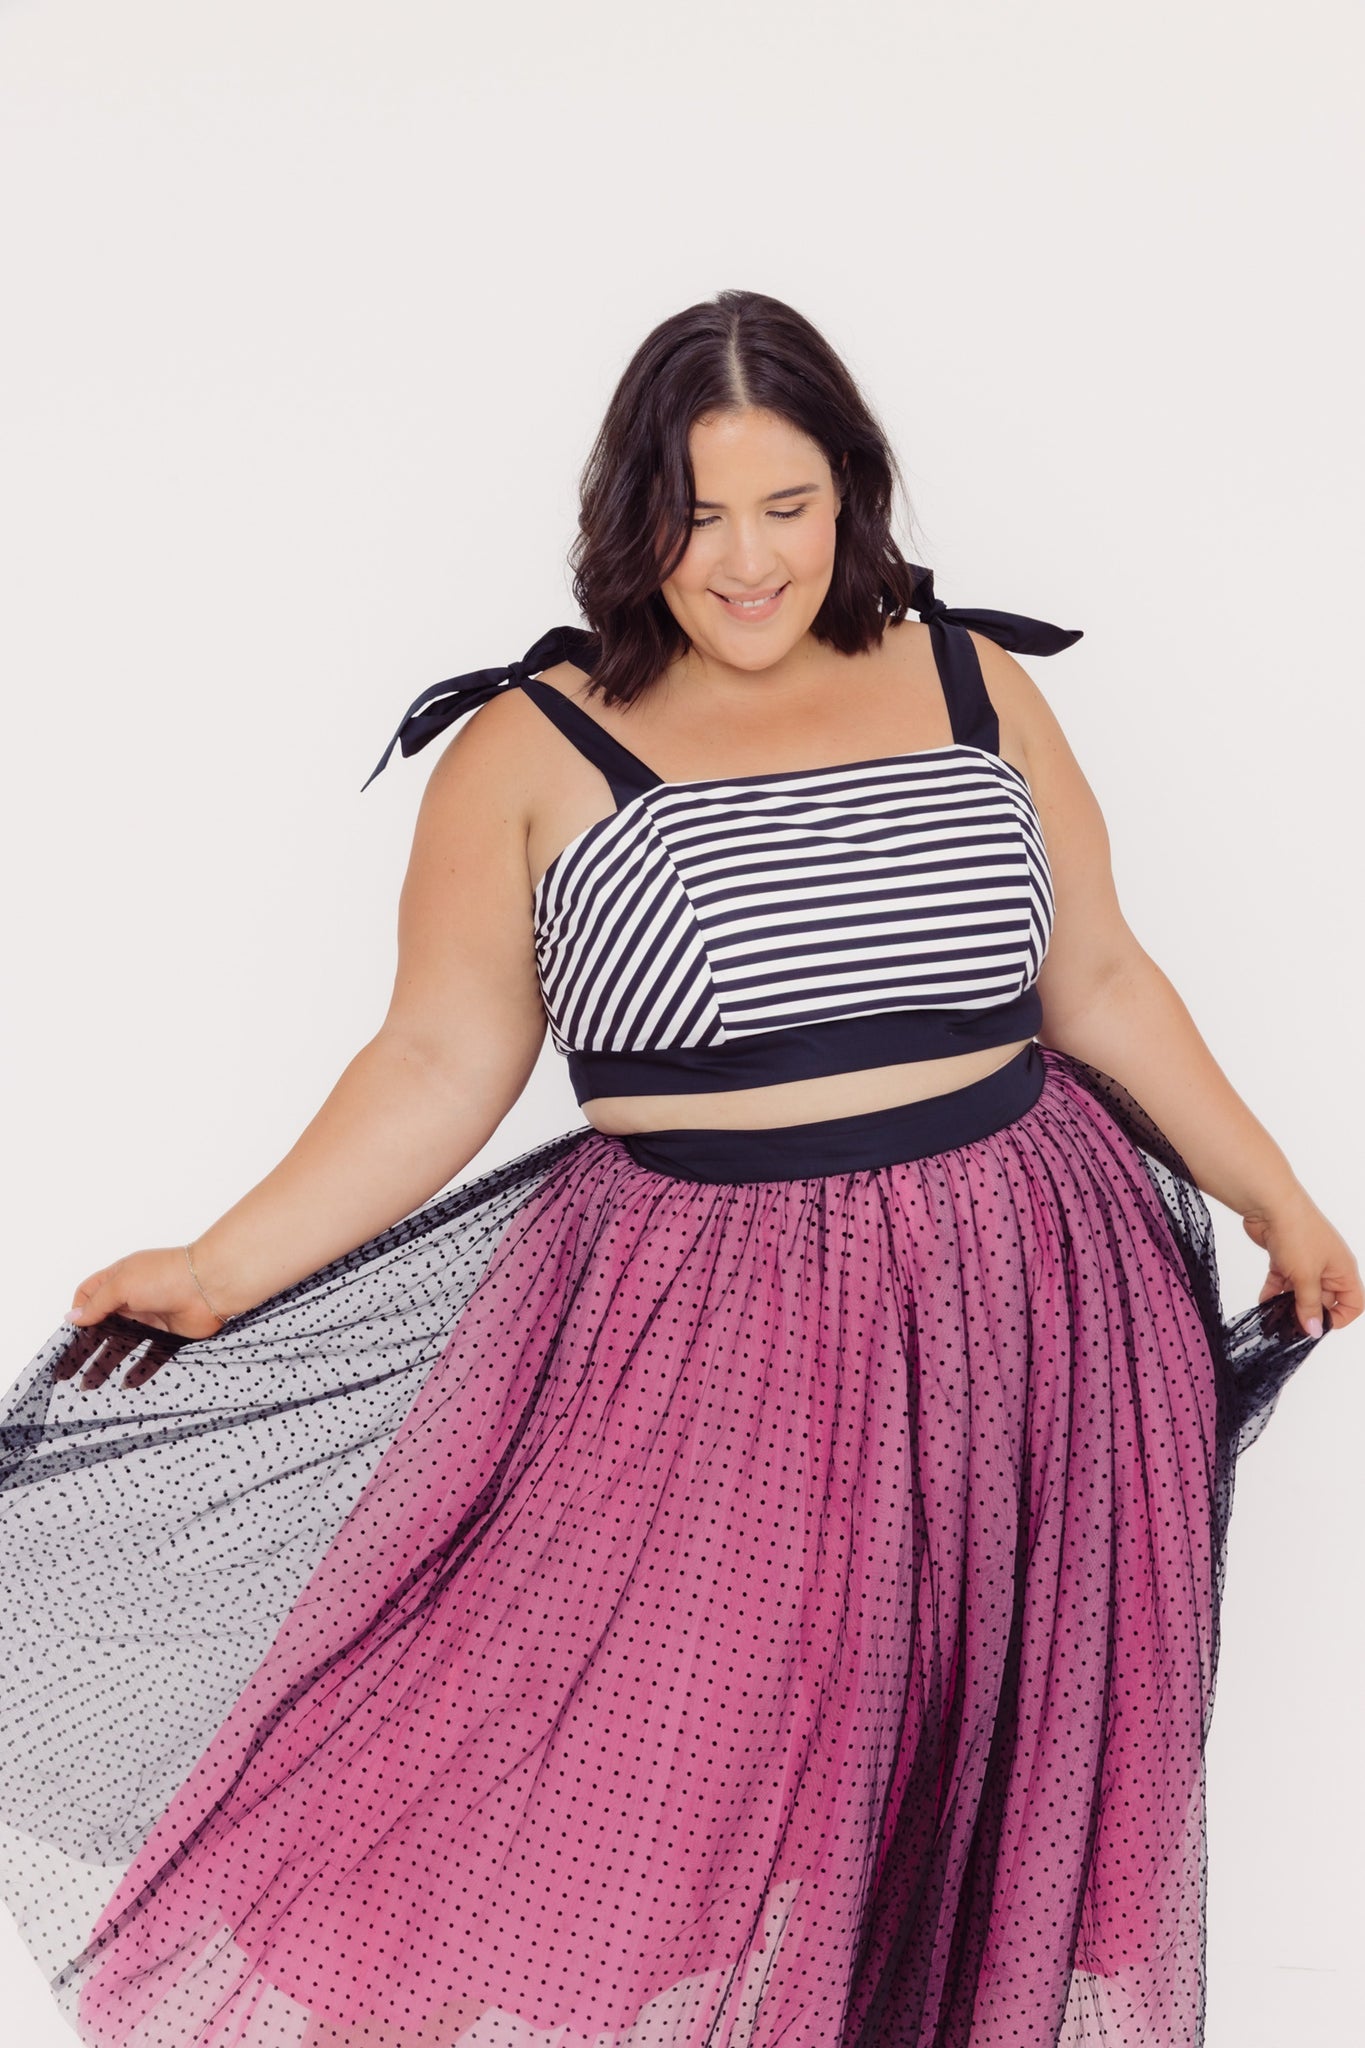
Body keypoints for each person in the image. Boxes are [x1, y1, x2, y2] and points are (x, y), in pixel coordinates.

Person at [0, 288, 1357, 2048]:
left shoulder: (971, 681)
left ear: (851, 496)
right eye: (697, 515)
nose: (744, 562)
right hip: (715, 1341)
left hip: (1032, 1298)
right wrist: (218, 1267)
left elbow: (1092, 975)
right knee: (687, 1776)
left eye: (786, 507)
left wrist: (1272, 1192)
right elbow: (436, 1061)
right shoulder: (525, 750)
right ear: (627, 517)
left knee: (969, 1772)